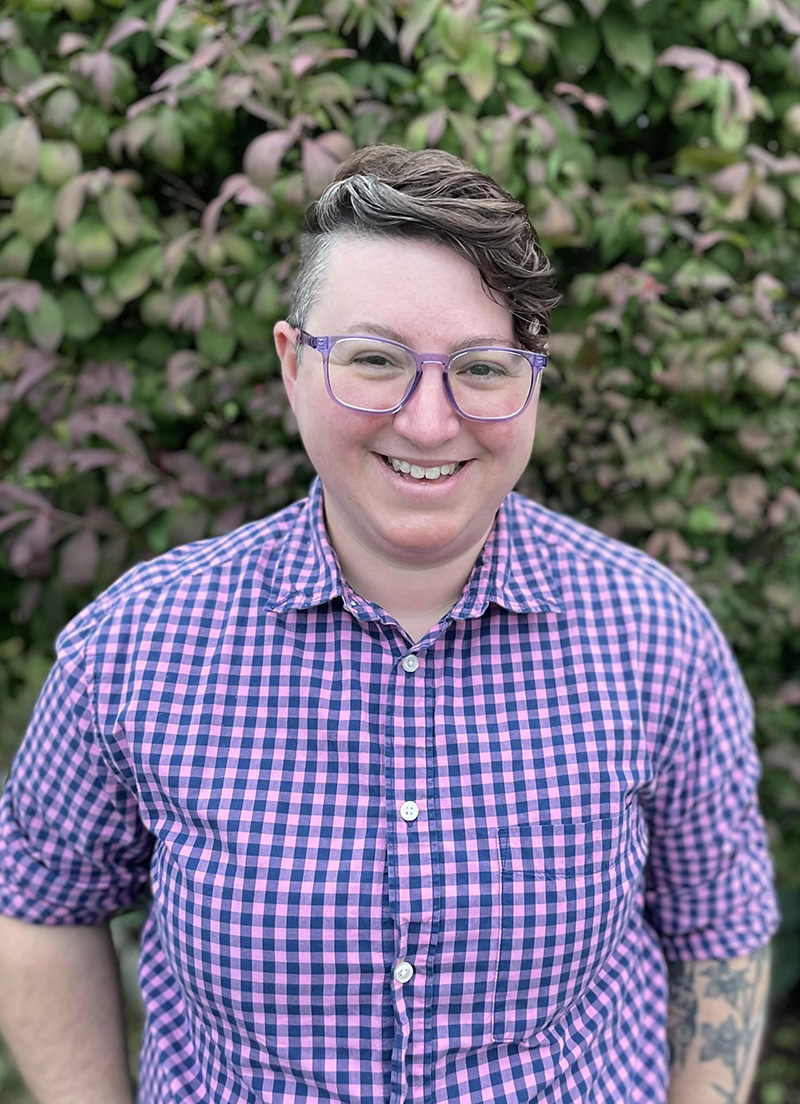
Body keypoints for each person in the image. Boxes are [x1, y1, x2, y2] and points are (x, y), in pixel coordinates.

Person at [0, 145, 779, 1104]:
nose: (427, 420)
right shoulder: (134, 649)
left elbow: (719, 929)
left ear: (531, 379)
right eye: (374, 359)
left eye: (484, 367)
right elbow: (37, 903)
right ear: (292, 364)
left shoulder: (656, 637)